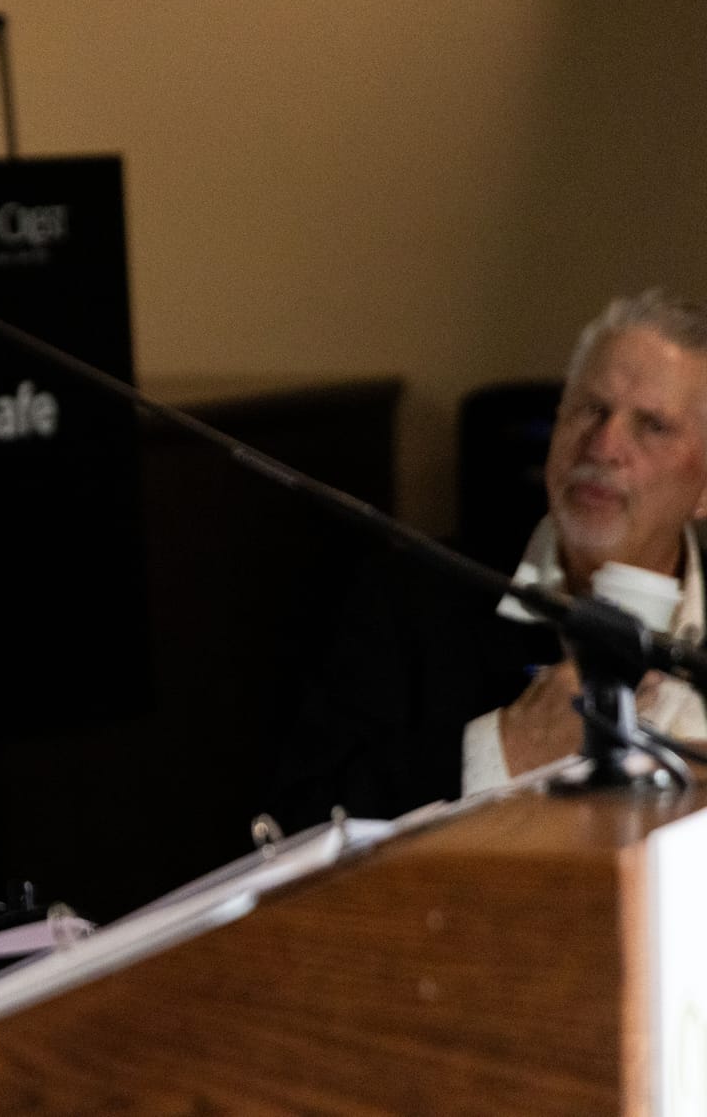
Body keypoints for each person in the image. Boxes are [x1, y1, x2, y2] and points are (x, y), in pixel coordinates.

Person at [276, 289, 707, 825]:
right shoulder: (410, 592)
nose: (603, 445)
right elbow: (303, 816)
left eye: (653, 426)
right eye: (591, 410)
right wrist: (501, 751)